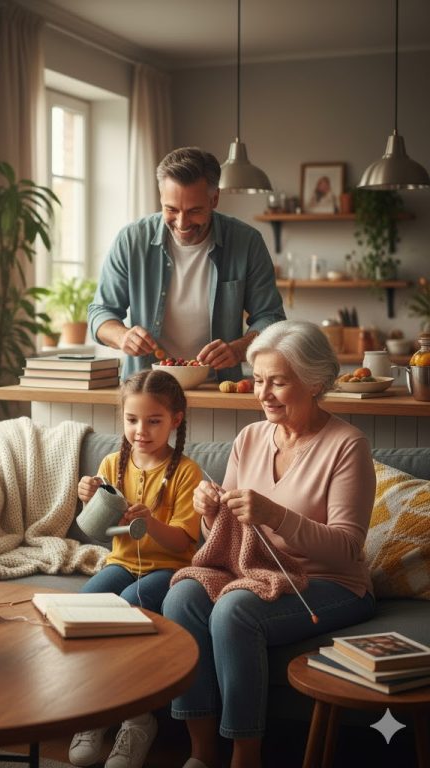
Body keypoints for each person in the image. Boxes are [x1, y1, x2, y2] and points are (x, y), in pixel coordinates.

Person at [162, 320, 377, 768]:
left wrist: (276, 515)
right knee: (181, 596)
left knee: (235, 609)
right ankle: (201, 752)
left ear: (315, 382)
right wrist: (209, 511)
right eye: (259, 380)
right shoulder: (250, 437)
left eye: (278, 382)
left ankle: (246, 755)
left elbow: (346, 549)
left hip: (330, 583)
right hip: (256, 570)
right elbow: (227, 536)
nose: (263, 393)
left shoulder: (347, 446)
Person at [69, 369, 202, 768]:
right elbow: (96, 531)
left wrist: (151, 522)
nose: (140, 430)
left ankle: (136, 718)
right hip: (122, 561)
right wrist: (85, 496)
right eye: (132, 420)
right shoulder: (112, 463)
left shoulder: (186, 472)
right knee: (85, 606)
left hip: (168, 569)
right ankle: (95, 711)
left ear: (175, 419)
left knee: (129, 604)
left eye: (153, 421)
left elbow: (183, 543)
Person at [88, 146, 285, 382]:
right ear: (160, 198)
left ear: (214, 199)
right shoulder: (131, 240)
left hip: (218, 386)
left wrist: (238, 349)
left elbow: (271, 318)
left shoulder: (247, 242)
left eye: (194, 211)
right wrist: (122, 336)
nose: (182, 223)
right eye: (171, 209)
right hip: (146, 387)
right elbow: (100, 313)